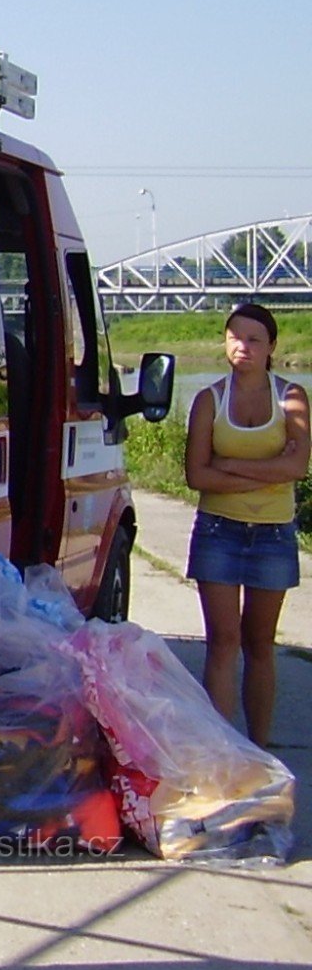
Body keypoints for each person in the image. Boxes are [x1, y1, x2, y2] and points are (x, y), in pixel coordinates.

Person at [182, 300, 308, 748]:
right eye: (235, 337)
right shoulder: (208, 400)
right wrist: (268, 471)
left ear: (271, 346)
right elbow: (197, 476)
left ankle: (258, 750)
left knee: (260, 644)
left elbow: (297, 467)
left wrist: (228, 464)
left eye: (254, 339)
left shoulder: (291, 397)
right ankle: (222, 752)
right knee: (222, 641)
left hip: (274, 534)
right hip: (218, 532)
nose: (243, 346)